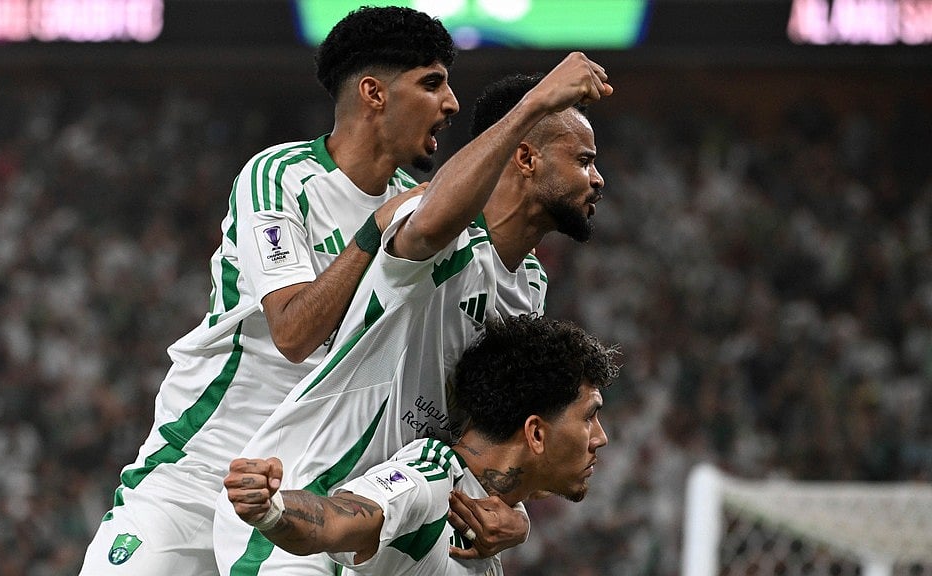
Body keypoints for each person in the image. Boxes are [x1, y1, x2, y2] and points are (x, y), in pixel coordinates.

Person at [78, 6, 459, 575]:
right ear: (374, 93)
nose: (451, 102)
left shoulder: (425, 216)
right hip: (202, 469)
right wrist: (374, 230)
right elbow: (292, 332)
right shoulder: (279, 177)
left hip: (305, 492)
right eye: (432, 83)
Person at [213, 52, 613, 576]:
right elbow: (429, 226)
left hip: (394, 512)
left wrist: (514, 514)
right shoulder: (438, 233)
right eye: (582, 160)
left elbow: (491, 436)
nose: (599, 179)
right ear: (525, 157)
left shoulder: (530, 286)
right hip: (300, 502)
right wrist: (537, 102)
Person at [225, 314, 619, 575]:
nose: (600, 437)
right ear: (535, 433)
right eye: (589, 416)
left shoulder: (490, 524)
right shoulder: (433, 479)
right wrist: (270, 509)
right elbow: (334, 520)